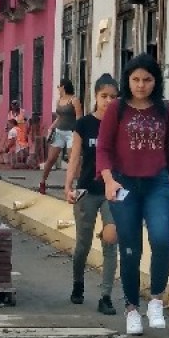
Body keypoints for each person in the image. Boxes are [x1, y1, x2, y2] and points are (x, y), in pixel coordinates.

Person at [96, 54, 169, 335]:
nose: (140, 85)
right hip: (123, 185)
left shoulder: (163, 110)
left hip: (157, 184)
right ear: (127, 80)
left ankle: (156, 300)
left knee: (162, 239)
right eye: (135, 79)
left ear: (155, 81)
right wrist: (109, 181)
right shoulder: (117, 109)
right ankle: (132, 308)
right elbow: (103, 149)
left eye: (147, 79)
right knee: (130, 249)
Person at [64, 74, 120, 315]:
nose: (108, 101)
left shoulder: (121, 124)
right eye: (104, 96)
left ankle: (106, 296)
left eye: (113, 97)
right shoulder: (84, 124)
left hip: (113, 192)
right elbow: (75, 156)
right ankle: (78, 283)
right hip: (87, 190)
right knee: (83, 245)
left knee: (111, 240)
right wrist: (68, 186)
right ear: (95, 97)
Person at [39, 79, 82, 194]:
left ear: (63, 87)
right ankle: (42, 181)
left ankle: (77, 185)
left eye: (59, 86)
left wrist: (78, 133)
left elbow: (79, 117)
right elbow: (59, 117)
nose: (58, 88)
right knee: (51, 159)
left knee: (73, 159)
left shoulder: (74, 100)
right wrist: (51, 127)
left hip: (71, 133)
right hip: (59, 131)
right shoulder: (59, 101)